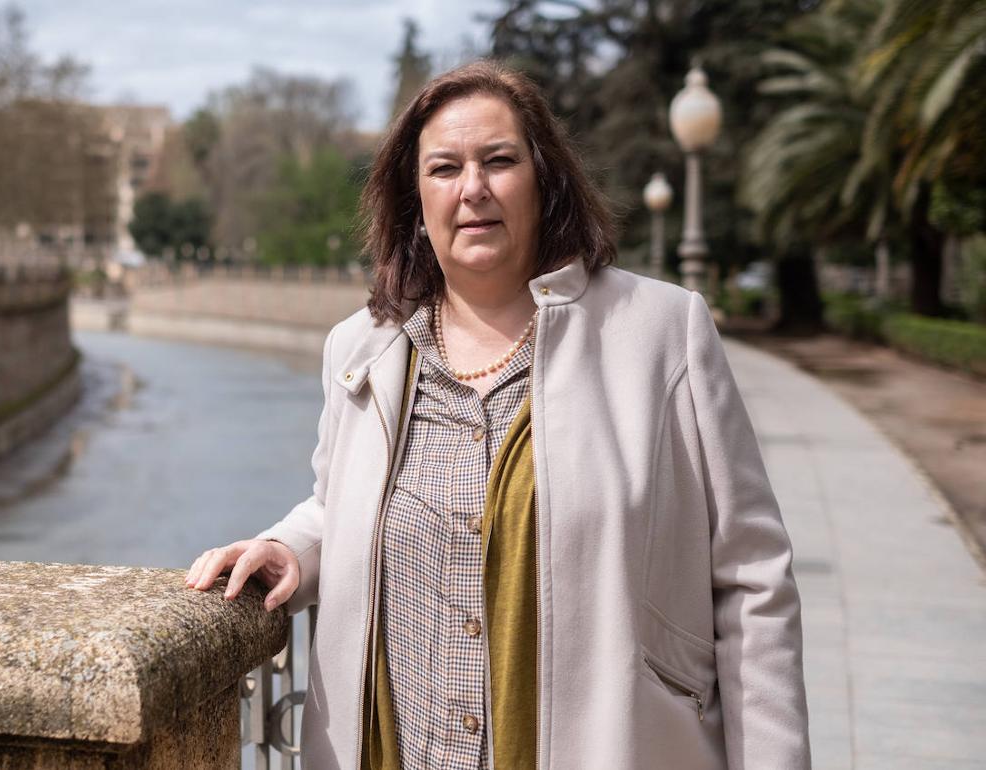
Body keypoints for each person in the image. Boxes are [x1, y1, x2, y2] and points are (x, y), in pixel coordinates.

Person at [186, 60, 810, 769]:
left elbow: (752, 577)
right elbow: (341, 505)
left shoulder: (661, 332)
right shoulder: (361, 348)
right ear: (415, 197)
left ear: (545, 180)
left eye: (500, 161)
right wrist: (290, 550)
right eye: (445, 168)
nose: (473, 188)